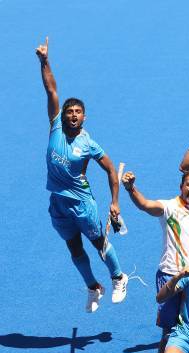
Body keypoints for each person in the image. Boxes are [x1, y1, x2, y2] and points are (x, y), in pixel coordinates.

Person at [36, 37, 127, 313]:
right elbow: (52, 91)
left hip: (81, 202)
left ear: (84, 117)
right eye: (69, 111)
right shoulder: (55, 127)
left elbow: (111, 169)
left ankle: (118, 277)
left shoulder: (89, 143)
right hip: (58, 202)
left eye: (78, 112)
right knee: (74, 248)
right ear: (62, 115)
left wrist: (114, 202)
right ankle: (93, 287)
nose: (72, 115)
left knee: (98, 243)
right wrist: (44, 61)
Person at [121, 170, 189, 353]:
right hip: (170, 276)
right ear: (181, 186)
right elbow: (145, 205)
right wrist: (131, 189)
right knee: (169, 331)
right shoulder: (168, 207)